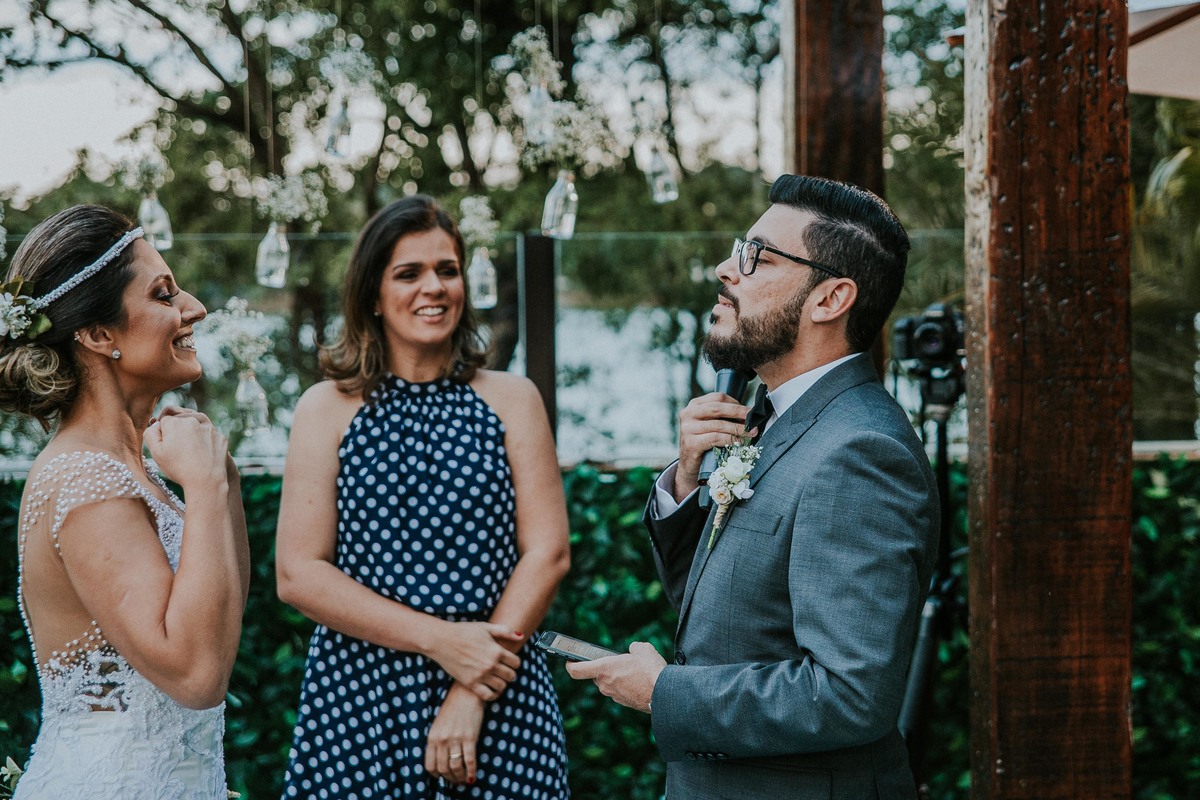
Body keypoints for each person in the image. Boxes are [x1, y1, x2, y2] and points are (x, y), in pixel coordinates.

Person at [567, 175, 940, 799]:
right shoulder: (779, 416)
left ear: (830, 299)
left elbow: (851, 696)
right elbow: (727, 610)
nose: (724, 269)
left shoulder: (860, 451)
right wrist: (687, 478)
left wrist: (664, 693)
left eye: (756, 258)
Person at [275, 195, 571, 799]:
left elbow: (548, 554)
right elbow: (299, 573)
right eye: (408, 273)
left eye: (447, 269)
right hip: (359, 696)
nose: (433, 288)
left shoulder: (512, 399)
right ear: (373, 296)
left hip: (498, 687)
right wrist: (441, 639)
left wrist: (470, 686)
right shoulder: (327, 408)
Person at [0, 204, 250, 796]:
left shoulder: (129, 469)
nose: (194, 309)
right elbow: (196, 673)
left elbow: (220, 621)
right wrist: (207, 490)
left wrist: (224, 483)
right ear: (96, 335)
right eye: (164, 295)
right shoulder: (86, 481)